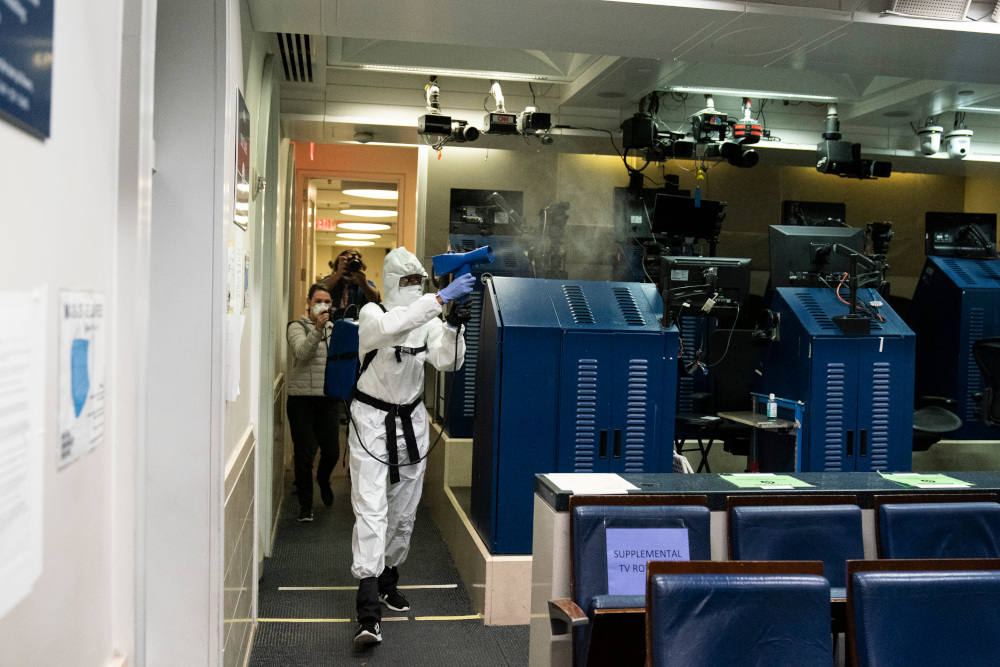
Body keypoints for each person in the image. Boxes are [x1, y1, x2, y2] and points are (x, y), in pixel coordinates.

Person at [348, 247, 475, 644]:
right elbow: (391, 329)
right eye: (406, 281)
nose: (413, 288)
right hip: (370, 423)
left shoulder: (427, 320)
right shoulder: (372, 316)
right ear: (389, 283)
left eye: (418, 282)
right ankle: (367, 610)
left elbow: (447, 361)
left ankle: (388, 579)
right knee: (371, 510)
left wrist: (454, 325)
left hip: (412, 425)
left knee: (404, 512)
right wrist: (437, 301)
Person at [285, 283, 341, 522]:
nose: (323, 305)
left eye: (327, 302)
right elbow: (301, 353)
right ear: (308, 302)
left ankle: (323, 479)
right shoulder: (295, 327)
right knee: (304, 453)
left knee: (332, 452)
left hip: (327, 399)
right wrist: (317, 330)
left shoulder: (336, 328)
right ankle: (305, 505)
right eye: (318, 300)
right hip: (301, 400)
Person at [321, 248, 380, 313]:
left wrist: (363, 284)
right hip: (333, 321)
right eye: (348, 261)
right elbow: (319, 289)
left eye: (355, 261)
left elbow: (375, 300)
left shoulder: (365, 283)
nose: (351, 264)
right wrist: (338, 274)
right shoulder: (332, 280)